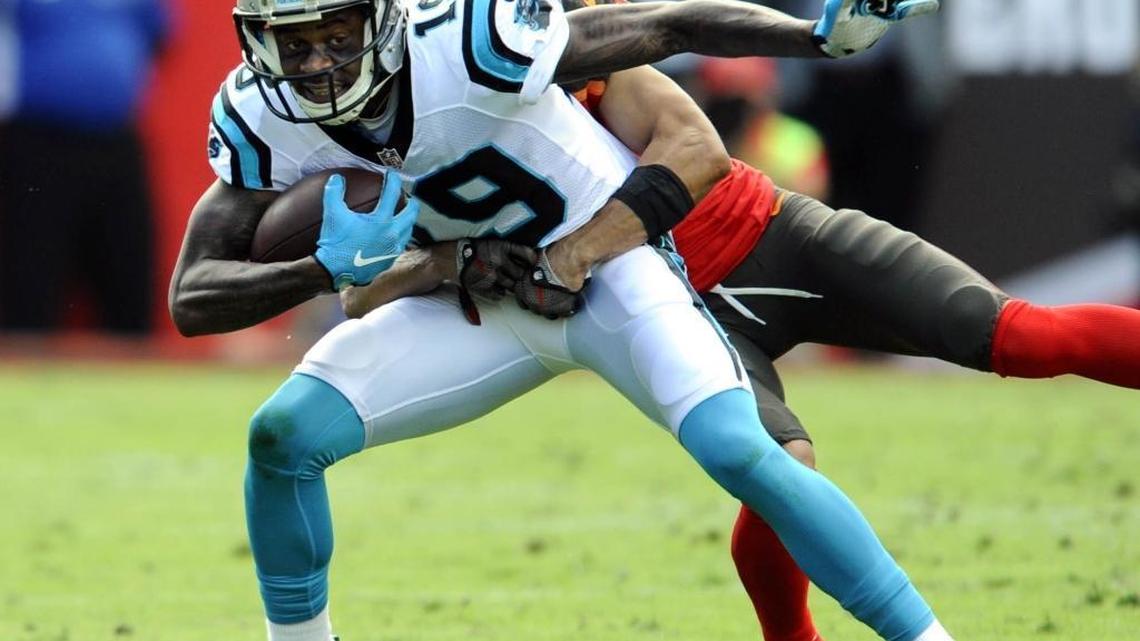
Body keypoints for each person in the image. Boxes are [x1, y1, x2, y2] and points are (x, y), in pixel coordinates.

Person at [341, 5, 1140, 641]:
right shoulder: (414, 133)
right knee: (780, 467)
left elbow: (695, 140)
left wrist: (574, 251)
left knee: (1014, 332)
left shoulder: (556, 59)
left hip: (768, 234)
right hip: (669, 307)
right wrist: (439, 263)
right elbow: (364, 287)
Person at [169, 1, 951, 640]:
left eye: (333, 33)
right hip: (483, 303)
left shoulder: (468, 45)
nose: (314, 64)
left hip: (606, 272)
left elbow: (670, 24)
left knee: (739, 448)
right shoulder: (263, 115)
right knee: (282, 437)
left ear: (379, 19)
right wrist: (325, 269)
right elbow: (193, 296)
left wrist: (813, 38)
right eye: (291, 43)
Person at [0, 0, 172, 334]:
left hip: (116, 141)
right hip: (38, 142)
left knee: (129, 281)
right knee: (31, 281)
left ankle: (132, 379)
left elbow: (158, 35)